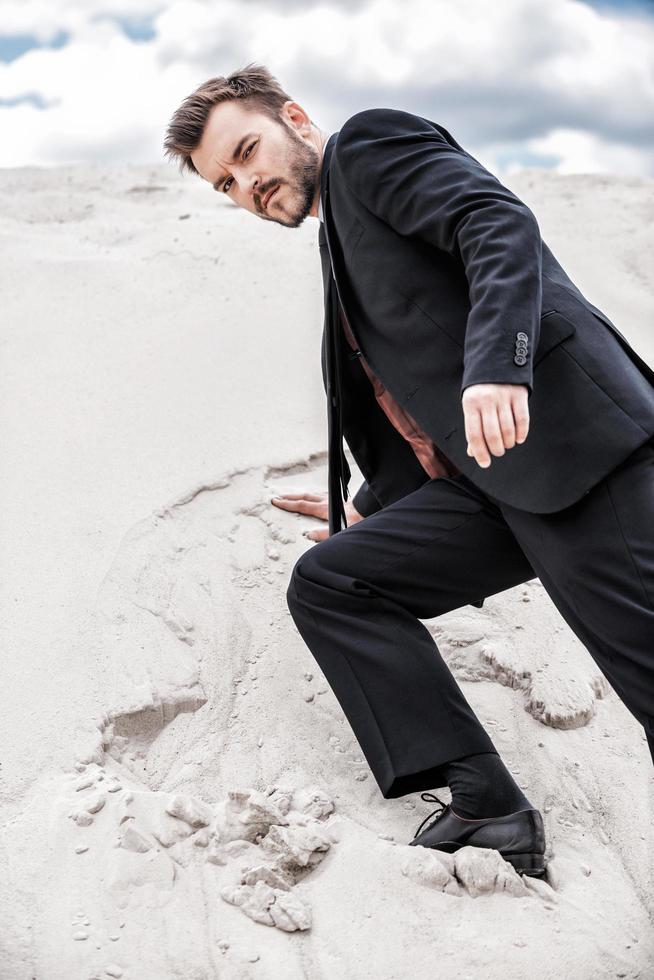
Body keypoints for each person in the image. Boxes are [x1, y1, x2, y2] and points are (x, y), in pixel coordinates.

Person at [164, 63, 654, 879]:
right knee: (335, 581)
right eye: (226, 182)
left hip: (576, 448)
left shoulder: (367, 147)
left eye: (248, 151)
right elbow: (406, 391)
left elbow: (495, 223)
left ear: (295, 117)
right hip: (491, 486)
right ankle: (487, 805)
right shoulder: (339, 244)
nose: (247, 183)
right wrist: (378, 511)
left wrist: (501, 364)